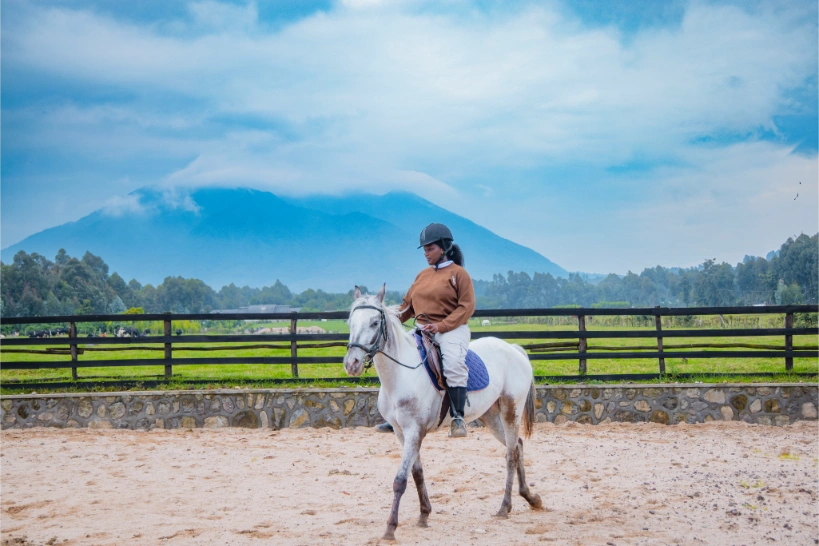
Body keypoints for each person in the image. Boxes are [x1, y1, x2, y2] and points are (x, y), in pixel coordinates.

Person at [375, 223, 476, 437]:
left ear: (444, 248)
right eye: (424, 250)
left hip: (452, 330)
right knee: (397, 359)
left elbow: (466, 307)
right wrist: (389, 320)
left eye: (430, 249)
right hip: (422, 330)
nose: (426, 253)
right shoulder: (421, 275)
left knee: (453, 364)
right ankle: (395, 416)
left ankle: (458, 417)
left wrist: (440, 326)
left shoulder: (459, 274)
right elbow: (406, 307)